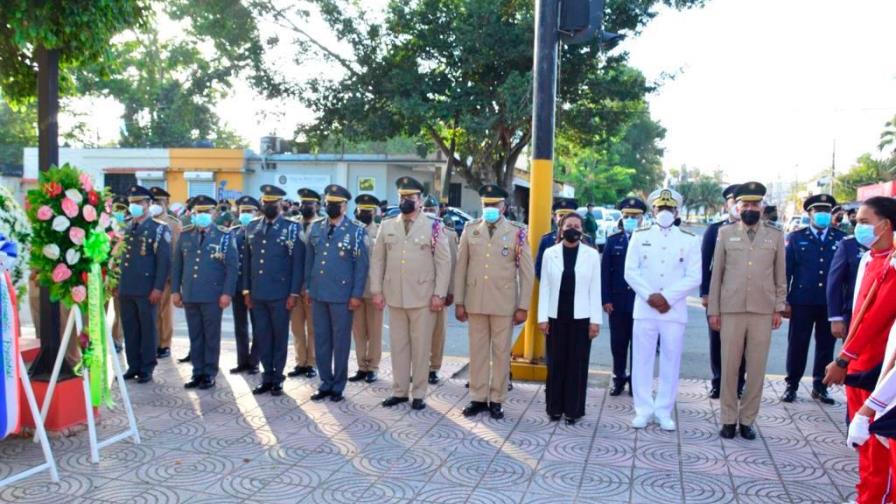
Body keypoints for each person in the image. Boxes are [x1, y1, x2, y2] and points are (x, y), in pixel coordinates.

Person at [824, 196, 896, 504]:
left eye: (865, 222)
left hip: (880, 371)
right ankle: (865, 494)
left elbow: (877, 318)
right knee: (862, 440)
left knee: (878, 444)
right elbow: (857, 314)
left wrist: (843, 358)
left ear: (886, 225)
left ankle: (874, 498)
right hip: (857, 364)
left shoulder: (893, 264)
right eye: (857, 221)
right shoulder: (869, 258)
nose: (858, 227)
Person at [708, 181, 786, 440]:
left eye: (755, 204)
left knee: (756, 369)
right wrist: (714, 310)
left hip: (763, 311)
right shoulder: (725, 233)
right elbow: (716, 274)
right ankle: (728, 419)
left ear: (762, 207)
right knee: (729, 367)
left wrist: (778, 307)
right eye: (746, 204)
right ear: (737, 207)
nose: (751, 208)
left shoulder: (775, 235)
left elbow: (780, 275)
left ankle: (748, 420)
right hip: (731, 309)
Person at [369, 176, 451, 411]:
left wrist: (439, 294)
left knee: (421, 347)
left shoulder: (434, 226)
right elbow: (378, 261)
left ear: (420, 200)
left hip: (424, 297)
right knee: (398, 346)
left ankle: (419, 393)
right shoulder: (387, 225)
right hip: (395, 295)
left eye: (411, 197)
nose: (406, 201)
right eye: (403, 197)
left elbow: (443, 263)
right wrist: (376, 290)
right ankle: (399, 391)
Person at [624, 188, 701, 431]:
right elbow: (630, 271)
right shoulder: (639, 235)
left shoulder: (689, 239)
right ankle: (643, 410)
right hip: (645, 309)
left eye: (669, 208)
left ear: (677, 211)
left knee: (671, 360)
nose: (664, 212)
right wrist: (650, 296)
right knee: (642, 360)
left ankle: (664, 410)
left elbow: (694, 276)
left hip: (673, 310)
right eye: (660, 208)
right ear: (653, 210)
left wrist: (666, 297)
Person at [454, 185, 533, 420]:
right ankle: (478, 397)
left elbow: (526, 272)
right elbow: (461, 269)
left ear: (503, 207)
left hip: (503, 303)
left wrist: (523, 306)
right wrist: (459, 301)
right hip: (475, 302)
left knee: (500, 353)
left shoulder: (517, 232)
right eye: (486, 205)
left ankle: (497, 399)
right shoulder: (470, 230)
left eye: (494, 205)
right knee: (477, 352)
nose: (490, 209)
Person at [304, 184, 369, 402]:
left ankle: (338, 385)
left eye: (336, 204)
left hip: (342, 295)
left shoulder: (356, 230)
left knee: (340, 341)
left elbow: (361, 266)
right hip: (319, 293)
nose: (331, 207)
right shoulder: (315, 227)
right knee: (321, 339)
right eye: (328, 204)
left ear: (345, 206)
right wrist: (308, 287)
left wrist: (356, 294)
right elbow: (309, 261)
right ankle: (325, 382)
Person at [782, 194, 845, 405]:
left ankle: (821, 387)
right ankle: (792, 385)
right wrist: (785, 300)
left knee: (826, 346)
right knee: (797, 344)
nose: (823, 215)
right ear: (809, 214)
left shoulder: (840, 238)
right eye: (818, 211)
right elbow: (786, 271)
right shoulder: (797, 237)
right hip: (802, 300)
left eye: (826, 211)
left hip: (830, 303)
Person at [538, 212, 601, 424]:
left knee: (577, 364)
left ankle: (573, 410)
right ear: (561, 228)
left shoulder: (591, 255)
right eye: (568, 225)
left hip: (582, 318)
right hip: (555, 316)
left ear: (582, 230)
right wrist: (542, 318)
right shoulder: (550, 253)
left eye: (576, 225)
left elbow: (595, 289)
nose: (572, 229)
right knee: (555, 364)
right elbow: (544, 287)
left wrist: (595, 321)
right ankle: (554, 408)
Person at [170, 195, 238, 390]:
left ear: (214, 213)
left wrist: (227, 293)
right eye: (199, 212)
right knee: (195, 335)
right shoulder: (186, 234)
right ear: (193, 213)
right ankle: (197, 372)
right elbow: (177, 266)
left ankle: (209, 372)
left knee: (211, 336)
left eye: (206, 212)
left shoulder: (225, 236)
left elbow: (232, 267)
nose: (202, 215)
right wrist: (175, 290)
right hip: (190, 294)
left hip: (213, 295)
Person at [243, 185, 306, 397]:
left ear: (281, 204)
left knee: (279, 337)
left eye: (274, 203)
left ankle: (277, 377)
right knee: (262, 336)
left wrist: (294, 293)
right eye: (266, 202)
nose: (269, 206)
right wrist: (246, 291)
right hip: (258, 292)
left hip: (280, 294)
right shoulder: (252, 227)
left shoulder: (292, 228)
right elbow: (247, 261)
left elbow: (297, 263)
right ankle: (266, 376)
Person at [119, 185, 171, 384]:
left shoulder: (159, 229)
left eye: (139, 203)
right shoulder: (125, 226)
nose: (135, 206)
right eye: (132, 203)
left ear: (149, 204)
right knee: (130, 328)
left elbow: (164, 262)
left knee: (148, 329)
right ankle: (133, 365)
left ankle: (147, 367)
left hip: (147, 289)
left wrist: (158, 288)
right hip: (126, 287)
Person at [701, 184, 746, 399]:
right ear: (726, 204)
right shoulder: (715, 229)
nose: (737, 205)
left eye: (741, 201)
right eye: (732, 201)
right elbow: (705, 263)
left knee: (744, 341)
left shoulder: (758, 230)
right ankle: (718, 381)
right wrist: (705, 293)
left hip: (746, 296)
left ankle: (738, 382)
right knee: (717, 339)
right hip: (718, 295)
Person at [601, 197, 646, 396]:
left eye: (634, 216)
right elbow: (605, 273)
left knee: (639, 345)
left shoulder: (648, 240)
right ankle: (618, 378)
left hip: (641, 301)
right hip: (617, 303)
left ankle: (636, 382)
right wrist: (606, 299)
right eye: (627, 216)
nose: (630, 219)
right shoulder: (613, 241)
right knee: (618, 343)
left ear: (642, 218)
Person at [423, 195, 458, 385]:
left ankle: (434, 367)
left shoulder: (448, 233)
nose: (429, 213)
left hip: (440, 290)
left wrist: (450, 291)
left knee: (437, 332)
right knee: (418, 332)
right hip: (418, 291)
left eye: (432, 210)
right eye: (426, 210)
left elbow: (453, 264)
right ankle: (418, 366)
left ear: (439, 211)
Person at [349, 194, 383, 383]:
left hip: (374, 290)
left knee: (375, 331)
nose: (364, 214)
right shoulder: (352, 231)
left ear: (375, 212)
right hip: (356, 290)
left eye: (368, 211)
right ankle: (362, 366)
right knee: (359, 331)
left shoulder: (380, 232)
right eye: (361, 210)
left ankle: (373, 367)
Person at [288, 188, 320, 379]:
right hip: (294, 286)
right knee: (297, 327)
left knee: (314, 328)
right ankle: (300, 362)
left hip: (314, 287)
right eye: (303, 203)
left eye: (310, 203)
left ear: (317, 205)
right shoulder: (292, 226)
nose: (306, 207)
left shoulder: (322, 227)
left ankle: (312, 363)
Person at [149, 187, 182, 360]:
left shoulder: (173, 224)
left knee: (164, 312)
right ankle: (153, 342)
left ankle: (164, 344)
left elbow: (177, 252)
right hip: (147, 276)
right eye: (153, 202)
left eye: (159, 202)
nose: (155, 205)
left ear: (166, 203)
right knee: (151, 312)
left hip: (166, 276)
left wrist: (173, 277)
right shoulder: (146, 221)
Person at [229, 196, 260, 374]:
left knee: (258, 326)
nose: (246, 214)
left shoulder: (261, 231)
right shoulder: (233, 232)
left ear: (257, 213)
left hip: (255, 288)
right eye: (243, 211)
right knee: (239, 326)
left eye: (250, 211)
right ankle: (242, 360)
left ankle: (254, 361)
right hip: (237, 286)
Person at [826, 231, 868, 342]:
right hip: (854, 313)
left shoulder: (891, 245)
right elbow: (835, 282)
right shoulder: (849, 245)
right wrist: (835, 317)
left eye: (865, 221)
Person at [535, 198, 578, 280]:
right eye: (561, 215)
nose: (565, 219)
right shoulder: (547, 240)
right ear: (554, 218)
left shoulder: (586, 240)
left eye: (569, 215)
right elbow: (539, 269)